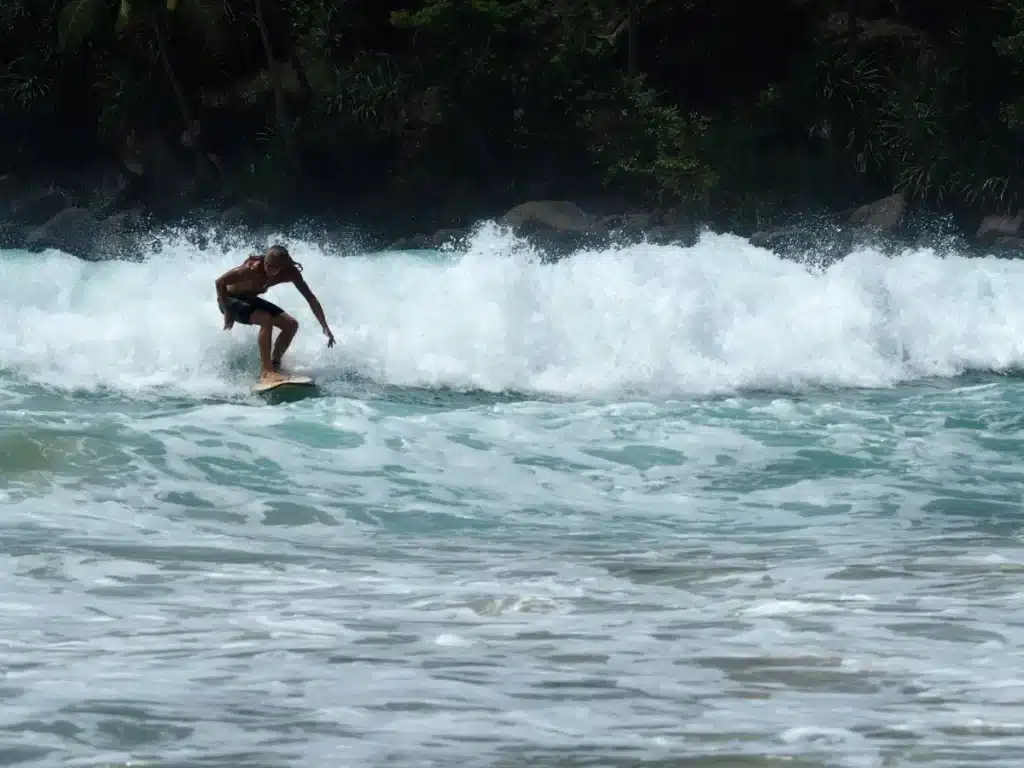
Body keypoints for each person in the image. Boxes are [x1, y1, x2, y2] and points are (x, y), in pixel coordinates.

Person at [214, 244, 335, 383]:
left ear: (283, 267)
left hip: (249, 300)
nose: (268, 269)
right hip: (229, 300)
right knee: (266, 319)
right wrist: (227, 311)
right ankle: (266, 372)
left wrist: (324, 326)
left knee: (291, 324)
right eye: (267, 264)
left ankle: (275, 366)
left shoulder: (290, 272)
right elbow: (220, 282)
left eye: (274, 267)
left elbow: (310, 298)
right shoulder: (251, 269)